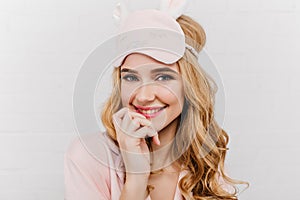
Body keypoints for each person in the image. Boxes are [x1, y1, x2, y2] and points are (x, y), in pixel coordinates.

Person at [64, 1, 248, 200]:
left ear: (189, 85)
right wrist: (136, 178)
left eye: (163, 77)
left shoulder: (205, 164)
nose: (143, 97)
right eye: (131, 77)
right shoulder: (88, 157)